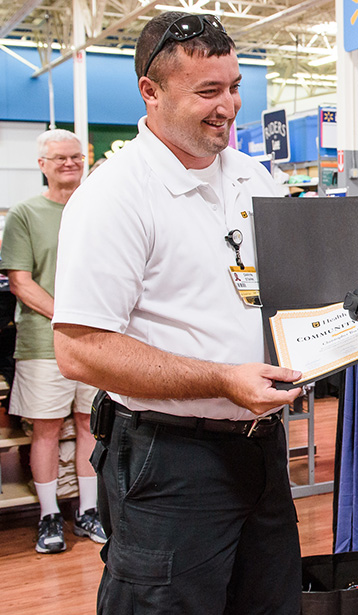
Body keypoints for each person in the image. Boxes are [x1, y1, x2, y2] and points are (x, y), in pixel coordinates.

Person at [51, 11, 302, 614]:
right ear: (151, 93)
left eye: (235, 87)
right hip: (169, 461)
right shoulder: (114, 197)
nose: (229, 106)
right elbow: (80, 347)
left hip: (262, 449)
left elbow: (294, 294)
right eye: (208, 92)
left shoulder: (254, 180)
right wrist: (221, 379)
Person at [0, 129, 105, 554]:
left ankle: (89, 511)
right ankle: (47, 517)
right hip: (44, 344)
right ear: (42, 165)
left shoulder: (98, 207)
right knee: (44, 430)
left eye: (76, 157)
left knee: (90, 425)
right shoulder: (24, 214)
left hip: (100, 342)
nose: (69, 163)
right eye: (60, 158)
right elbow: (21, 283)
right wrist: (71, 314)